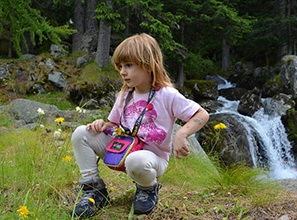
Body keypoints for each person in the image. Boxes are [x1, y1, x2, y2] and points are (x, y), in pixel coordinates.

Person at [70, 33, 209, 218]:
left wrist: (181, 134)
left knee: (136, 160)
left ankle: (147, 189)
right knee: (81, 133)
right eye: (120, 66)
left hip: (151, 160)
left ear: (148, 65)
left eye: (128, 65)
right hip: (121, 151)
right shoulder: (125, 95)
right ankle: (94, 189)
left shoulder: (167, 95)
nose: (122, 71)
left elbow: (202, 114)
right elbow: (113, 124)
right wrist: (101, 125)